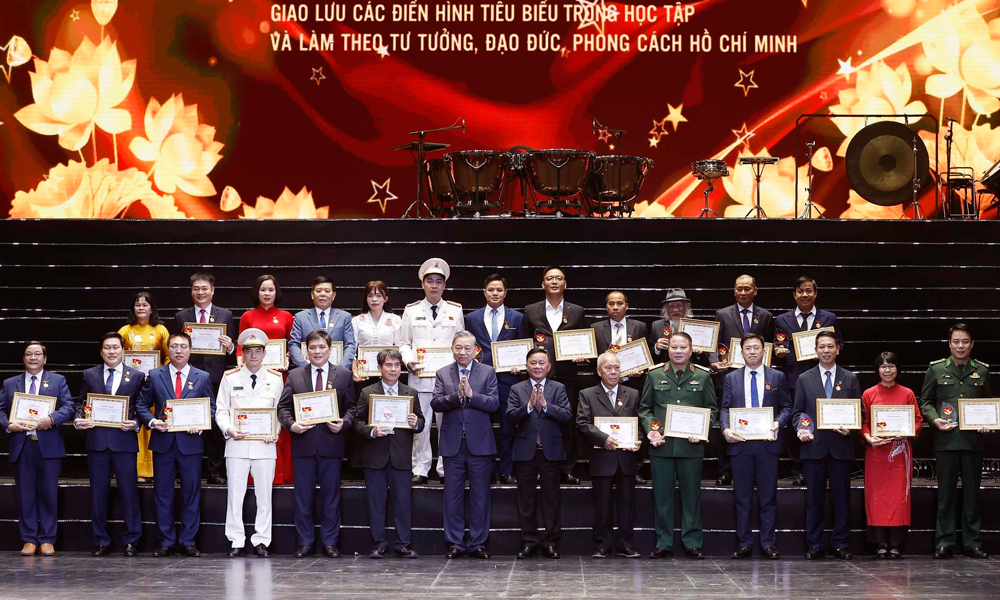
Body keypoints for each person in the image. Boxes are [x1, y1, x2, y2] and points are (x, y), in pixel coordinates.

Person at [137, 332, 217, 558]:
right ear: (168, 350)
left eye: (183, 346)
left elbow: (211, 408)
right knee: (163, 494)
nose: (178, 350)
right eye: (174, 346)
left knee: (191, 494)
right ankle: (166, 540)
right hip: (163, 442)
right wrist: (152, 422)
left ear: (190, 350)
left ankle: (188, 541)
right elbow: (142, 404)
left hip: (190, 444)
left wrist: (203, 424)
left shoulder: (202, 376)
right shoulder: (155, 375)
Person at [277, 330, 355, 559]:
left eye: (322, 347)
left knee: (331, 497)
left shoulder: (343, 375)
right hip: (303, 445)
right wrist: (292, 425)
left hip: (332, 445)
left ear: (330, 350)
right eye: (313, 347)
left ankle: (330, 543)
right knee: (303, 498)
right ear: (306, 351)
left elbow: (352, 408)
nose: (317, 351)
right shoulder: (295, 375)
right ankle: (305, 542)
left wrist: (344, 423)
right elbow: (283, 408)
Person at [639, 332, 717, 559]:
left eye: (683, 347)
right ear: (668, 349)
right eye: (674, 347)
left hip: (691, 447)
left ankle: (692, 543)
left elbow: (712, 409)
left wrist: (701, 431)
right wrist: (652, 429)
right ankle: (663, 543)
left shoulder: (703, 376)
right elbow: (645, 408)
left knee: (691, 498)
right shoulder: (654, 374)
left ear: (691, 350)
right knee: (662, 498)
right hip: (662, 446)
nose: (678, 351)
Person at [919, 323, 992, 559]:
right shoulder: (936, 369)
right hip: (946, 441)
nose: (961, 346)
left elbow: (988, 403)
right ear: (949, 344)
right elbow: (925, 402)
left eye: (965, 342)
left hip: (972, 442)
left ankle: (972, 543)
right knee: (946, 494)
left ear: (972, 344)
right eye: (956, 342)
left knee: (972, 495)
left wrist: (987, 422)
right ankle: (944, 542)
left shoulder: (982, 371)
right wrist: (934, 419)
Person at [0, 342, 75, 556]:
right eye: (29, 354)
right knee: (25, 495)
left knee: (49, 494)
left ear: (45, 358)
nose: (33, 357)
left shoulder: (58, 380)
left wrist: (51, 419)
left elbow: (69, 406)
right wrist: (8, 425)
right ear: (23, 358)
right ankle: (29, 539)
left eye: (37, 354)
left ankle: (47, 539)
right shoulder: (10, 383)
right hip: (22, 446)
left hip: (49, 446)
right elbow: (0, 410)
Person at [74, 332, 145, 557]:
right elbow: (81, 403)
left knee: (129, 493)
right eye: (107, 348)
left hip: (124, 442)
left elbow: (141, 407)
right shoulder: (89, 374)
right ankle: (100, 540)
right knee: (98, 494)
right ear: (101, 351)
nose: (111, 351)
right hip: (97, 442)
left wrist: (136, 422)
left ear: (123, 350)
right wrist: (78, 419)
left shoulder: (137, 376)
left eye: (115, 347)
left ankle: (132, 540)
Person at [720, 333, 790, 560]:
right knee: (742, 497)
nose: (752, 351)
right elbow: (725, 408)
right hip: (740, 444)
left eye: (756, 347)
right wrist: (725, 429)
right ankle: (745, 543)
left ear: (764, 351)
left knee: (768, 497)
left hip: (767, 444)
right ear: (741, 353)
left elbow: (787, 407)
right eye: (748, 348)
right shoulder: (731, 378)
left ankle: (768, 543)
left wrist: (778, 423)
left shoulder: (777, 376)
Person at [792, 330, 860, 560]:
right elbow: (798, 412)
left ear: (838, 349)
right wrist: (801, 429)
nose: (826, 350)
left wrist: (851, 427)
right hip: (814, 447)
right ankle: (815, 544)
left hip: (841, 446)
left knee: (842, 499)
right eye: (821, 347)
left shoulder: (850, 378)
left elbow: (859, 411)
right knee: (814, 499)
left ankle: (840, 544)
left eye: (830, 346)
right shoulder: (804, 378)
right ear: (815, 350)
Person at [216, 328, 284, 558]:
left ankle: (261, 540)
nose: (253, 355)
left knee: (264, 497)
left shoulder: (275, 379)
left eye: (258, 351)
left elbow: (280, 411)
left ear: (264, 353)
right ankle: (236, 540)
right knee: (235, 496)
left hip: (264, 445)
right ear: (242, 353)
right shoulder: (230, 377)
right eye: (249, 351)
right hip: (237, 444)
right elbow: (221, 410)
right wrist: (229, 429)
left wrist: (275, 431)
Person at [431, 331, 499, 559]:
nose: (462, 352)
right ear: (452, 349)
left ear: (476, 350)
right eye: (458, 347)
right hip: (453, 444)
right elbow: (436, 403)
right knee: (452, 497)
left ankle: (478, 543)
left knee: (481, 496)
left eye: (467, 348)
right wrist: (456, 397)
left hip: (480, 444)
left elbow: (494, 403)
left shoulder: (488, 372)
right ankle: (455, 543)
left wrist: (472, 395)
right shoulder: (442, 373)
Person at [399, 258, 465, 484]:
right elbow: (403, 343)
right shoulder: (411, 310)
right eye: (430, 281)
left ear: (444, 285)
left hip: (448, 379)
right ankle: (421, 468)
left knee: (448, 425)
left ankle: (446, 468)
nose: (434, 285)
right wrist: (409, 361)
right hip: (420, 377)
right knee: (422, 425)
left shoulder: (455, 310)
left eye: (438, 281)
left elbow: (461, 343)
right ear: (422, 284)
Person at [352, 348, 423, 558]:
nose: (393, 369)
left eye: (397, 365)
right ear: (379, 368)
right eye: (388, 365)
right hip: (375, 457)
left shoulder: (411, 393)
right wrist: (371, 431)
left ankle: (403, 544)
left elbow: (421, 422)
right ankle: (378, 544)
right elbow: (356, 422)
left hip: (401, 457)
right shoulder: (367, 392)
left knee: (403, 503)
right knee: (376, 503)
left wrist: (415, 423)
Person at [773, 276, 843, 486]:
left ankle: (823, 466)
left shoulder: (829, 318)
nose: (805, 294)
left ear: (815, 293)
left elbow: (841, 344)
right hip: (793, 381)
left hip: (823, 379)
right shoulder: (781, 320)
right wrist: (779, 352)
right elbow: (778, 345)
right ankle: (798, 469)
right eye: (801, 291)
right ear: (794, 294)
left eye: (809, 290)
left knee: (822, 422)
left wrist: (825, 353)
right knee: (796, 424)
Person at [708, 275, 775, 486]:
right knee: (727, 423)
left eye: (747, 288)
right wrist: (714, 362)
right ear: (734, 291)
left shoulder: (766, 316)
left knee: (756, 421)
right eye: (739, 289)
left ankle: (754, 469)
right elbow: (714, 342)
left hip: (757, 377)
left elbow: (769, 345)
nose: (743, 292)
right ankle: (724, 470)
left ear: (755, 290)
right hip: (729, 378)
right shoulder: (722, 313)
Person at [507, 348, 571, 559]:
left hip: (550, 451)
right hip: (525, 451)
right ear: (526, 366)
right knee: (526, 500)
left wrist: (545, 405)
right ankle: (529, 542)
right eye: (533, 362)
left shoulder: (558, 388)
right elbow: (510, 417)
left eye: (541, 363)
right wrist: (528, 407)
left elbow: (566, 415)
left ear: (549, 366)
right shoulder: (517, 388)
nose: (537, 366)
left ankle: (551, 542)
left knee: (551, 499)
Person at [524, 266, 587, 485]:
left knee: (567, 424)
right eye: (549, 278)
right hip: (539, 377)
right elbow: (525, 343)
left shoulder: (577, 311)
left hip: (567, 376)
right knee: (539, 422)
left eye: (558, 278)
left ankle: (567, 468)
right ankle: (540, 468)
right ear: (543, 283)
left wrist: (583, 354)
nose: (554, 282)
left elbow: (584, 339)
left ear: (565, 284)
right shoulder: (530, 310)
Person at [577, 351, 641, 559]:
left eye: (617, 368)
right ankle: (602, 544)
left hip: (626, 458)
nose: (613, 372)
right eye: (608, 368)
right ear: (598, 371)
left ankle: (626, 544)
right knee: (602, 505)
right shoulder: (587, 394)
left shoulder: (632, 393)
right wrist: (603, 438)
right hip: (602, 457)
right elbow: (582, 423)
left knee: (627, 505)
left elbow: (639, 422)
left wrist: (638, 439)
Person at [174, 272, 235, 486]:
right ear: (191, 291)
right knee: (187, 423)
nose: (201, 292)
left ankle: (215, 471)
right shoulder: (181, 316)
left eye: (205, 288)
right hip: (190, 377)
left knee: (216, 426)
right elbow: (177, 348)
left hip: (216, 378)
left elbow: (233, 352)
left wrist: (230, 346)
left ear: (212, 290)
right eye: (196, 289)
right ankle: (184, 471)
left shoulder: (225, 314)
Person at [465, 273, 526, 484]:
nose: (495, 293)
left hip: (509, 381)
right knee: (482, 428)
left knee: (508, 428)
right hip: (479, 380)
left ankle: (507, 470)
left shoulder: (517, 318)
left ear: (505, 293)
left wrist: (521, 365)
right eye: (491, 290)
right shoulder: (472, 318)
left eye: (499, 290)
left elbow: (524, 347)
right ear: (484, 293)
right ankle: (486, 471)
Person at [862, 351, 922, 559]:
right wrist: (868, 437)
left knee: (898, 498)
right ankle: (880, 543)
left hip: (899, 453)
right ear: (877, 370)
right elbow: (863, 423)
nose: (887, 370)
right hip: (876, 452)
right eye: (883, 366)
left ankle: (895, 543)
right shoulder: (868, 394)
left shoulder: (907, 393)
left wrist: (907, 432)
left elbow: (918, 420)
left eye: (891, 366)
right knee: (877, 498)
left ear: (898, 369)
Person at [237, 274, 295, 485]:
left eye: (271, 289)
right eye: (263, 289)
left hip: (279, 375)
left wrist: (287, 359)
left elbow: (292, 345)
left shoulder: (286, 316)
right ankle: (252, 475)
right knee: (255, 418)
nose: (267, 293)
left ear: (276, 292)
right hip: (252, 374)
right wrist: (240, 365)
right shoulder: (248, 316)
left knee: (278, 421)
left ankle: (282, 474)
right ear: (257, 292)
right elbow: (240, 347)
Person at [119, 291, 171, 481]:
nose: (141, 308)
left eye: (145, 305)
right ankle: (135, 470)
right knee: (135, 427)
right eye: (138, 305)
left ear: (151, 308)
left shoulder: (161, 330)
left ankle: (154, 470)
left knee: (153, 424)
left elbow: (168, 356)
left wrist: (160, 376)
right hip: (132, 385)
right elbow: (117, 356)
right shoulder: (124, 331)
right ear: (133, 308)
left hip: (154, 385)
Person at [289, 276, 356, 369]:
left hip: (337, 370)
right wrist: (305, 367)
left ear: (333, 295)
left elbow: (350, 345)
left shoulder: (344, 317)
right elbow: (293, 344)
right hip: (308, 371)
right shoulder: (301, 317)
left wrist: (341, 368)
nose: (323, 294)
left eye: (327, 291)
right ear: (312, 295)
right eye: (319, 291)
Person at [592, 291, 649, 392]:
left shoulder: (640, 326)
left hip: (632, 382)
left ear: (626, 306)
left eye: (619, 303)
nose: (615, 307)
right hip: (605, 383)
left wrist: (640, 369)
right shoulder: (596, 328)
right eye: (611, 304)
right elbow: (594, 357)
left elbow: (646, 355)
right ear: (606, 307)